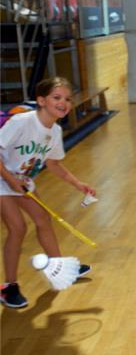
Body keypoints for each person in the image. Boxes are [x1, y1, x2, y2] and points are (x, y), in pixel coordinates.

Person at [0, 77, 97, 308]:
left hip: (22, 181)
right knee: (18, 228)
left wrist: (78, 184)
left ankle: (59, 269)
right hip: (3, 178)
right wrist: (11, 181)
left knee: (43, 220)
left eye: (67, 99)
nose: (63, 103)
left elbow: (54, 165)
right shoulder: (22, 122)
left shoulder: (54, 131)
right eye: (57, 97)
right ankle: (8, 287)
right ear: (41, 101)